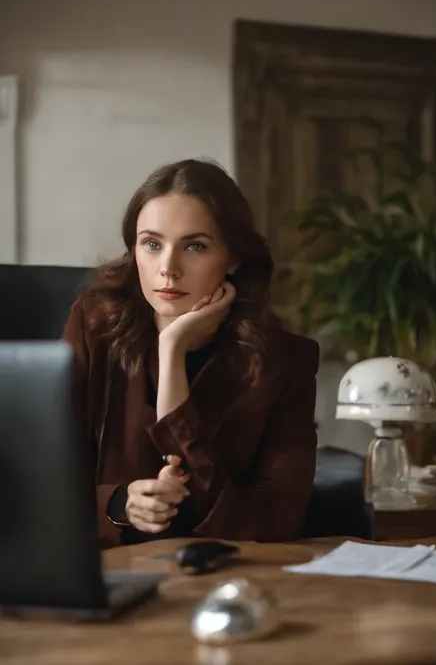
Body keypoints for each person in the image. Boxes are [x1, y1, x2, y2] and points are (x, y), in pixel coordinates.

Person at [63, 158, 319, 549]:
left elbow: (278, 520)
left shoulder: (285, 362)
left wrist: (172, 351)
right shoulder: (94, 327)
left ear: (233, 258)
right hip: (106, 573)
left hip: (227, 574)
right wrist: (119, 503)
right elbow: (39, 481)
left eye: (195, 246)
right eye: (152, 244)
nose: (168, 268)